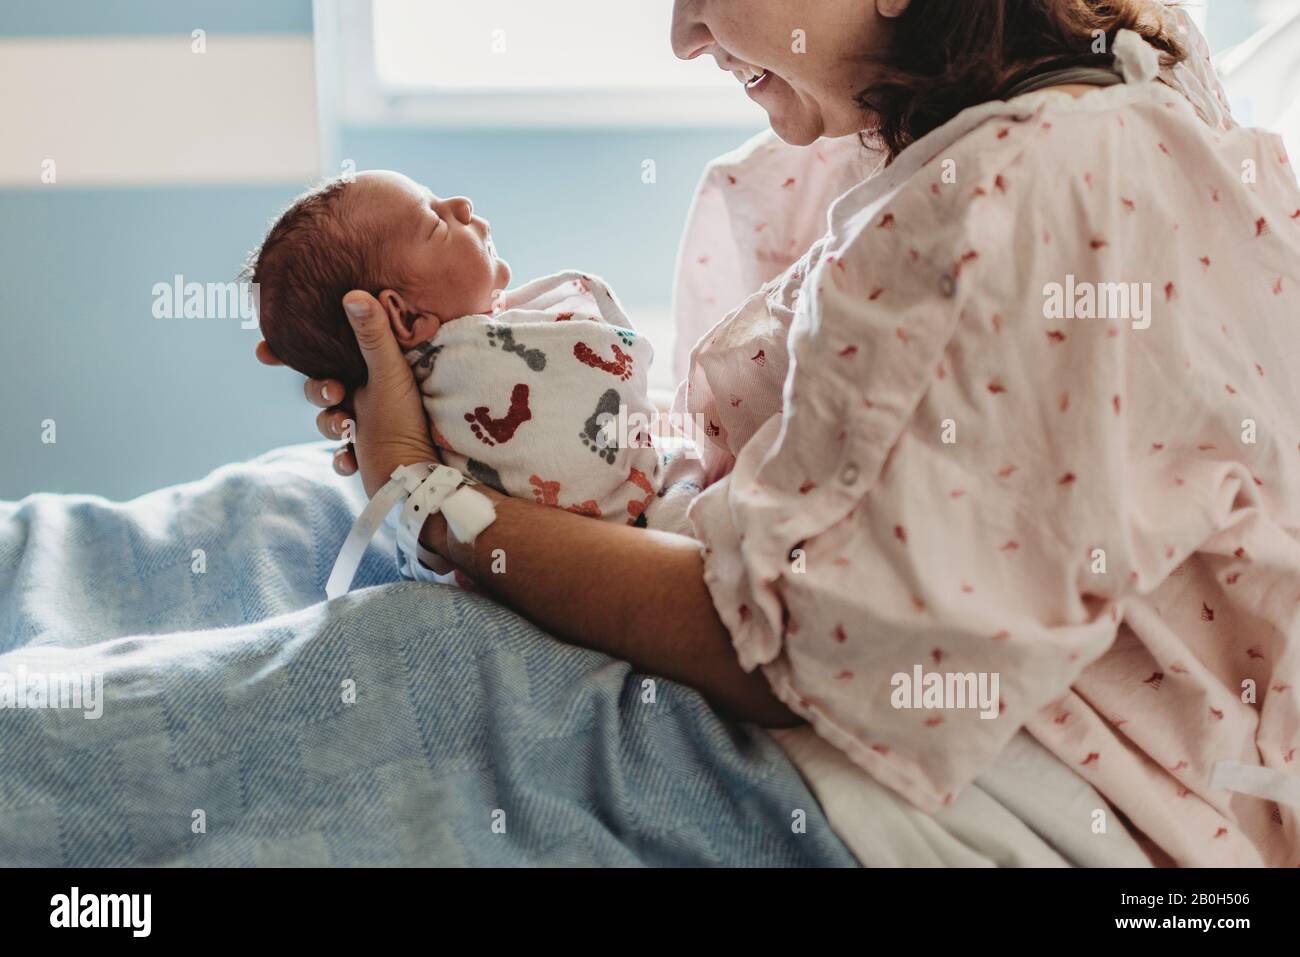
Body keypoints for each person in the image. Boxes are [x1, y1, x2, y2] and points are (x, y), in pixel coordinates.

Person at [257, 0, 1300, 866]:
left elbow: (793, 653)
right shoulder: (948, 122)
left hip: (1069, 788)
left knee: (361, 677)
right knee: (285, 522)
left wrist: (426, 497)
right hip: (758, 573)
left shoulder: (1041, 191)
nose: (682, 34)